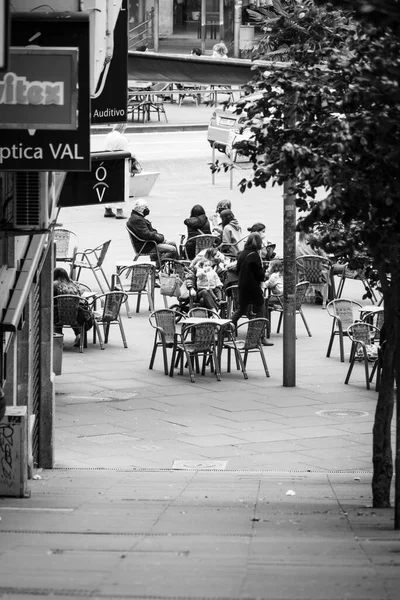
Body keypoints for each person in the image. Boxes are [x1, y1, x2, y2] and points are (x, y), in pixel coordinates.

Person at [230, 233, 273, 346]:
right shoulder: (254, 256)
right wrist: (265, 273)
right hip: (253, 287)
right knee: (261, 310)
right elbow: (259, 275)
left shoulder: (242, 254)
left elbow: (238, 269)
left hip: (243, 286)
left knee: (241, 309)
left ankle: (226, 329)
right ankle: (260, 336)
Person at [103, 123, 140, 220]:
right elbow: (126, 153)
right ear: (122, 127)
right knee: (121, 187)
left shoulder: (108, 136)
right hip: (120, 165)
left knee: (108, 186)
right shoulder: (122, 139)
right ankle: (119, 210)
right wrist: (135, 158)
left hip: (108, 164)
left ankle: (107, 209)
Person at [53, 268, 93, 348]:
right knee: (71, 312)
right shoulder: (73, 284)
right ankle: (78, 335)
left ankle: (59, 339)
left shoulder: (54, 284)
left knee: (57, 316)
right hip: (75, 313)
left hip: (59, 314)